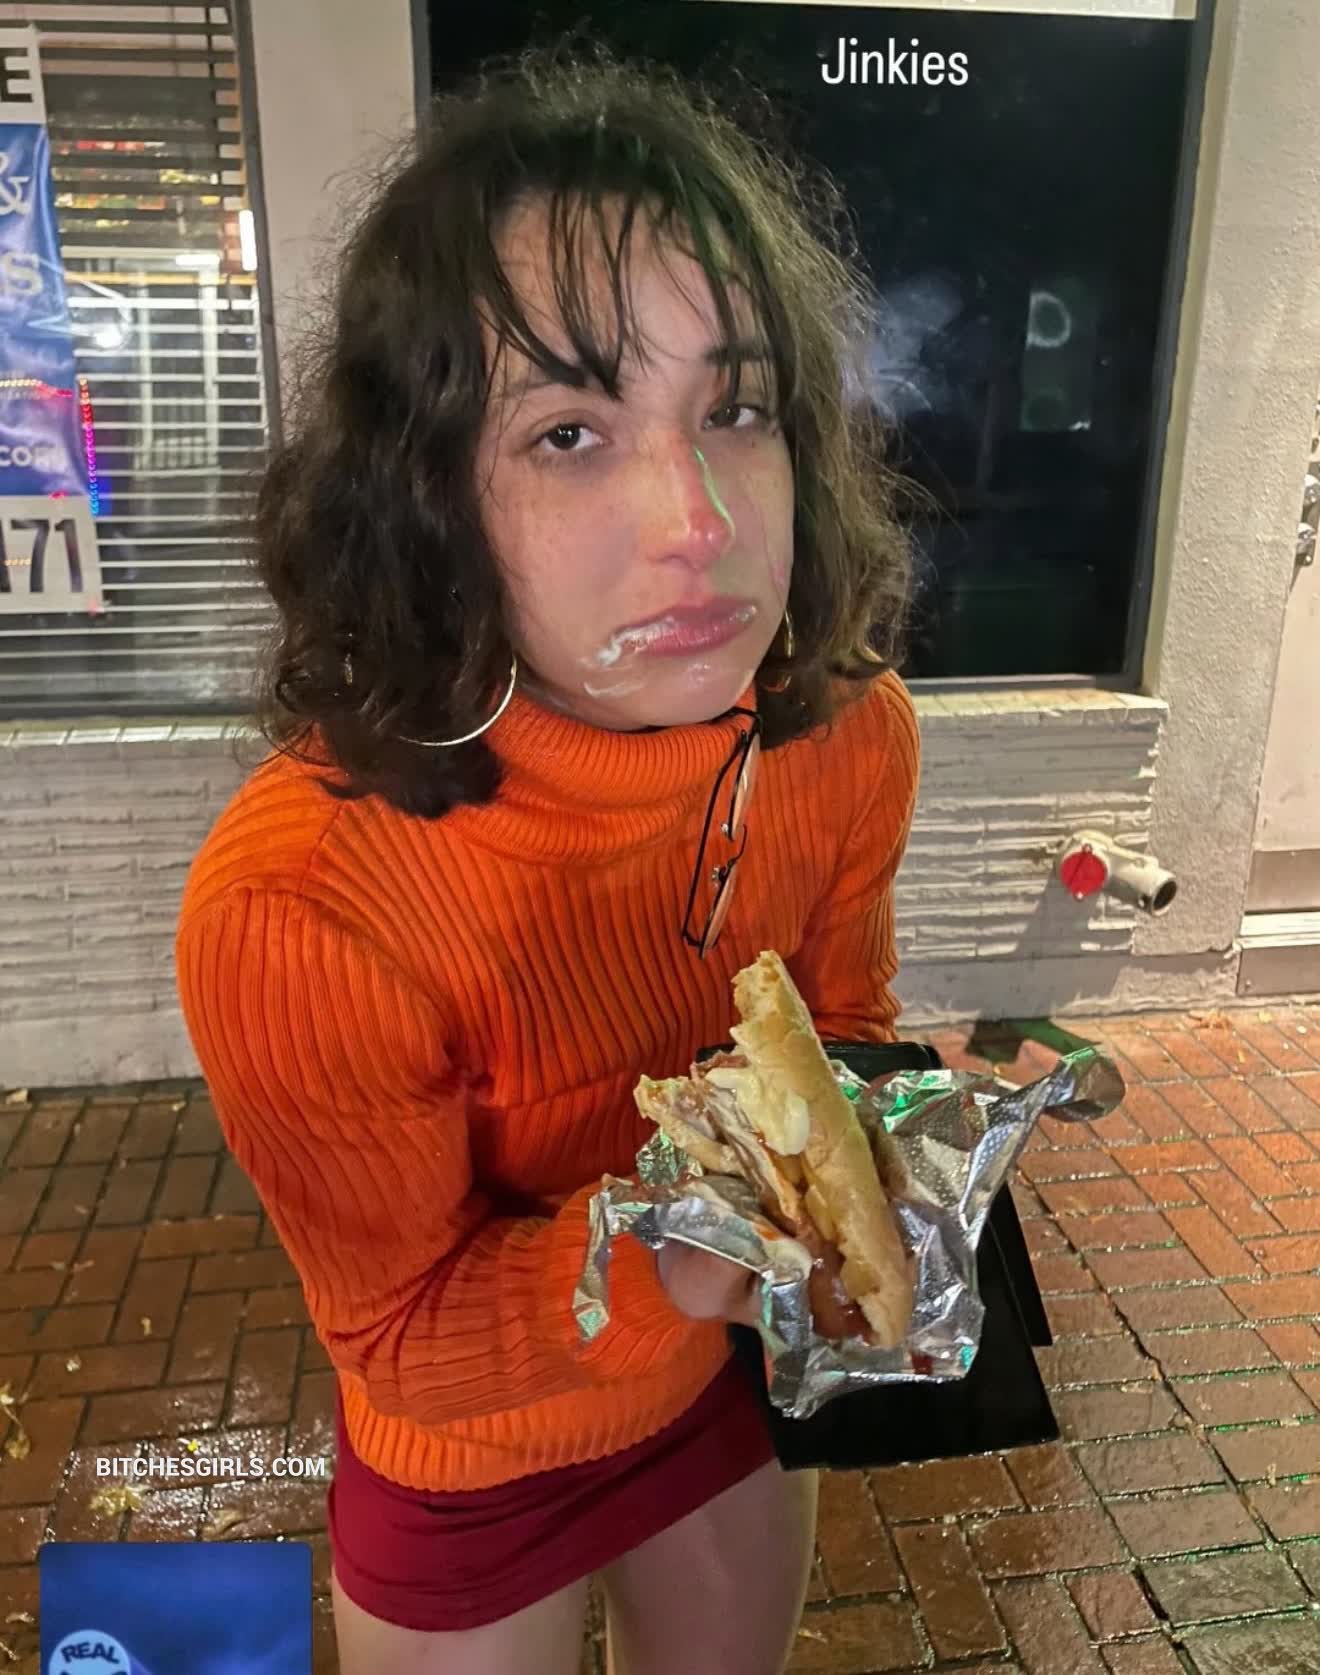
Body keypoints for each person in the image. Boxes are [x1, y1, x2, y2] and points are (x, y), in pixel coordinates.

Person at [175, 46, 919, 1675]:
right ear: (432, 498)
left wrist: (895, 1147)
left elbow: (844, 1028)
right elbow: (402, 1334)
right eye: (571, 431)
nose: (698, 521)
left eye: (735, 408)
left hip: (719, 1396)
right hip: (474, 1455)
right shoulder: (304, 899)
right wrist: (676, 1252)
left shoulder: (847, 739)